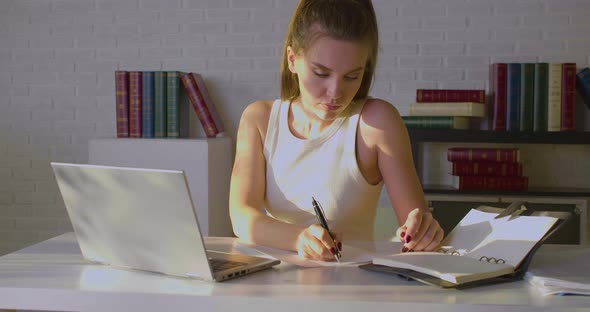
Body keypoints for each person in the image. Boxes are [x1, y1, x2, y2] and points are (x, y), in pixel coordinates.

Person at [229, 0, 443, 262]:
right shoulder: (259, 120)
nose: (335, 93)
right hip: (272, 287)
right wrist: (298, 238)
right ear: (292, 60)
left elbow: (416, 225)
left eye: (352, 76)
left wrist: (423, 232)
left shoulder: (376, 123)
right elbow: (242, 217)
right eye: (321, 73)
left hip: (351, 289)